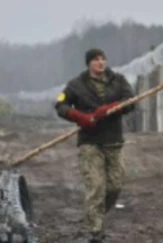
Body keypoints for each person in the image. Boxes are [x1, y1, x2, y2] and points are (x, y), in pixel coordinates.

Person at [55, 48, 137, 242]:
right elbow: (60, 104)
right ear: (89, 64)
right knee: (96, 186)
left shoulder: (118, 81)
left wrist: (111, 108)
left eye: (103, 59)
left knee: (115, 186)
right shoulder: (76, 85)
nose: (100, 63)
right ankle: (96, 230)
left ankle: (97, 212)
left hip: (113, 141)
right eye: (96, 60)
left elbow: (131, 101)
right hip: (90, 142)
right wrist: (78, 116)